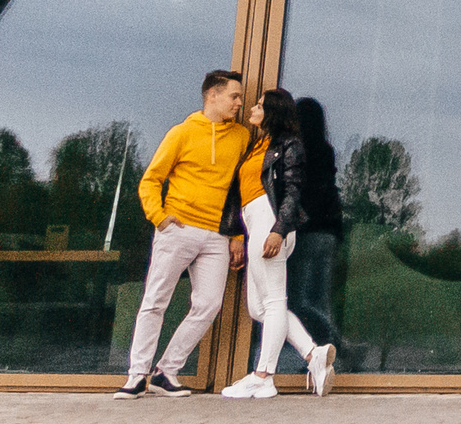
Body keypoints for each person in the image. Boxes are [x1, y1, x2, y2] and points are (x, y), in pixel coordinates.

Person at [116, 70, 251, 399]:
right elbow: (150, 179)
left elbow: (239, 191)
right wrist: (159, 217)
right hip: (178, 229)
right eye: (233, 96)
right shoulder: (182, 133)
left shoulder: (242, 137)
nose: (239, 102)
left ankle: (166, 372)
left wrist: (237, 236)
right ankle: (137, 375)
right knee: (155, 302)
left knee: (208, 304)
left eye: (240, 96)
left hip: (216, 235)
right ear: (212, 96)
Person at [221, 88, 334, 398]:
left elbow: (293, 190)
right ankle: (313, 354)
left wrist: (278, 229)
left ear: (272, 112)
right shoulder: (257, 146)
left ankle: (263, 375)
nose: (252, 109)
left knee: (272, 301)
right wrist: (237, 234)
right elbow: (237, 195)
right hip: (252, 220)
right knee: (259, 308)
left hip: (269, 219)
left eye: (259, 105)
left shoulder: (289, 145)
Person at [285, 97, 344, 368]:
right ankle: (329, 351)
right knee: (320, 299)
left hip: (308, 233)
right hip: (329, 233)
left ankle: (332, 345)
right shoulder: (326, 150)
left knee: (298, 300)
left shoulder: (298, 149)